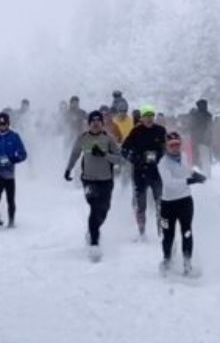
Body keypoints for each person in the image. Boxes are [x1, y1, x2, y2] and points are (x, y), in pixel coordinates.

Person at [65, 110, 123, 260]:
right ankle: (94, 243)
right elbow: (75, 154)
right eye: (93, 121)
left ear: (102, 124)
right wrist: (68, 169)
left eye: (98, 121)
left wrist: (104, 155)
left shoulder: (108, 138)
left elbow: (119, 159)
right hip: (89, 180)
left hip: (106, 179)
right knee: (95, 207)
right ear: (89, 124)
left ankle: (93, 230)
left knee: (104, 210)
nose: (95, 124)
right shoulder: (83, 138)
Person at [157, 131, 207, 275]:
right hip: (167, 204)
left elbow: (187, 169)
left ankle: (187, 264)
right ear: (166, 146)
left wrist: (195, 174)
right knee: (168, 235)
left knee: (187, 231)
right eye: (171, 145)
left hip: (185, 201)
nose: (175, 147)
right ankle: (166, 259)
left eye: (177, 144)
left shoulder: (184, 156)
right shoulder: (162, 163)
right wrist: (189, 181)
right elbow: (169, 183)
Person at [122, 105, 167, 239]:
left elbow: (166, 148)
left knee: (161, 203)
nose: (149, 119)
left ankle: (163, 230)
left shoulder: (160, 130)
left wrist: (159, 157)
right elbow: (124, 150)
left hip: (156, 172)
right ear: (141, 118)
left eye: (151, 116)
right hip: (139, 172)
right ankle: (142, 231)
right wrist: (135, 159)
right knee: (141, 205)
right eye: (146, 116)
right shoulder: (136, 132)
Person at [187, 99, 213, 175]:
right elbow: (210, 128)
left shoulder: (195, 115)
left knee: (197, 157)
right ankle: (206, 173)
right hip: (205, 140)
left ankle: (198, 173)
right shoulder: (209, 115)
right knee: (205, 158)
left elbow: (191, 126)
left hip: (197, 139)